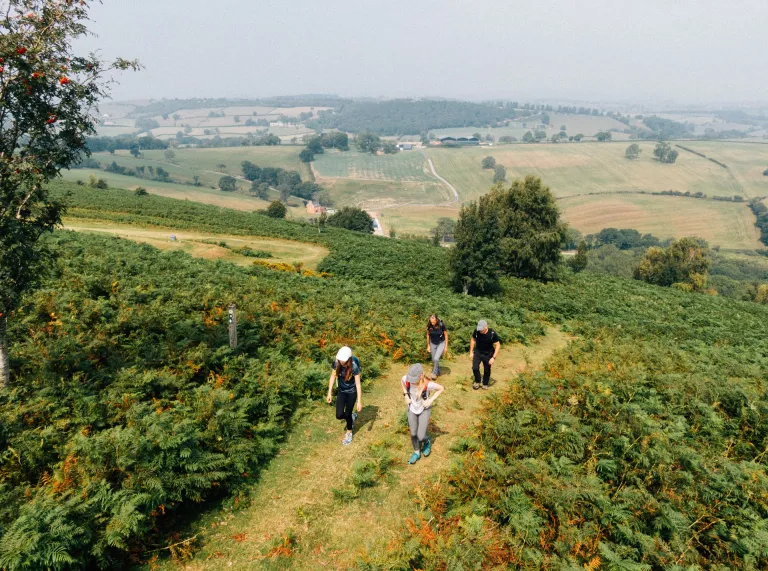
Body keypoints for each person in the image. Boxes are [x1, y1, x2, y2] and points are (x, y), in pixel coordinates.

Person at [401, 363, 444, 464]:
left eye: (413, 379)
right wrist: (406, 396)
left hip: (424, 410)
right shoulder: (405, 379)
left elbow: (441, 388)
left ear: (420, 376)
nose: (411, 381)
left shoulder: (428, 384)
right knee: (413, 433)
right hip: (412, 408)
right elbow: (402, 383)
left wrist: (431, 400)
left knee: (420, 436)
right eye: (410, 378)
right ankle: (416, 452)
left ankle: (427, 441)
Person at [326, 346, 362, 446]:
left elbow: (358, 384)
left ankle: (349, 432)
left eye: (343, 361)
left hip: (352, 392)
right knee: (339, 415)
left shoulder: (354, 366)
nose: (341, 362)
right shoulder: (336, 363)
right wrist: (329, 392)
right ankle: (351, 417)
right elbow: (333, 376)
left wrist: (359, 401)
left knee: (348, 412)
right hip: (341, 391)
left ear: (348, 359)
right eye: (340, 360)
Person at [470, 320, 500, 390]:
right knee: (475, 368)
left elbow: (498, 345)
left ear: (486, 327)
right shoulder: (477, 331)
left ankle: (485, 383)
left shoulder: (492, 334)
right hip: (478, 352)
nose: (480, 331)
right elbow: (473, 340)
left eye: (481, 329)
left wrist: (493, 357)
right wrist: (471, 351)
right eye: (479, 329)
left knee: (487, 369)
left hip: (488, 354)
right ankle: (477, 381)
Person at [426, 314, 449, 379]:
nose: (432, 323)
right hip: (432, 343)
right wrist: (428, 345)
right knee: (434, 359)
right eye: (431, 322)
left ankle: (434, 373)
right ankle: (438, 371)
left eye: (433, 322)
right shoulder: (429, 326)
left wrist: (446, 346)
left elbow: (446, 335)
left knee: (436, 359)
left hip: (441, 343)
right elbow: (428, 335)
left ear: (436, 320)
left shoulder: (441, 325)